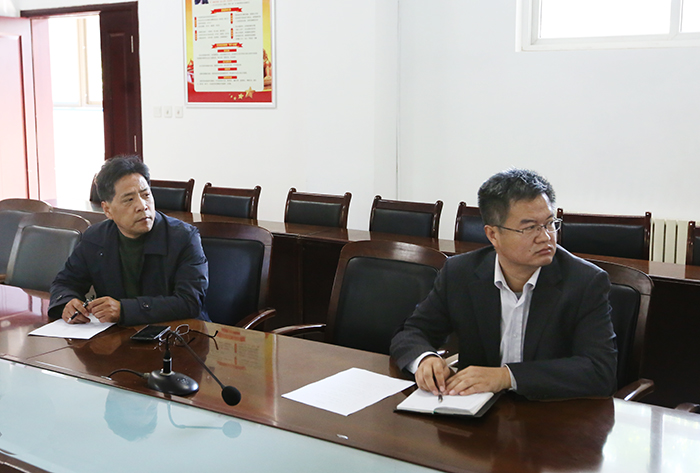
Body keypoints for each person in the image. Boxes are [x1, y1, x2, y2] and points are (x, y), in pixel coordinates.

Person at [390, 169, 617, 400]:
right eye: (529, 227)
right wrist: (425, 359)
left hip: (549, 410)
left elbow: (600, 371)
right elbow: (412, 331)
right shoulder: (460, 273)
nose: (545, 237)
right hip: (472, 408)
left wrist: (506, 377)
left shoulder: (585, 282)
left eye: (549, 223)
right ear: (493, 234)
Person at [49, 156, 209, 326]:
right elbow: (65, 282)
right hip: (118, 333)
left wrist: (124, 310)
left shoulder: (183, 237)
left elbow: (190, 302)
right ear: (107, 210)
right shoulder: (95, 238)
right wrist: (67, 302)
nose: (142, 206)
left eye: (146, 195)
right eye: (129, 200)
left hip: (179, 333)